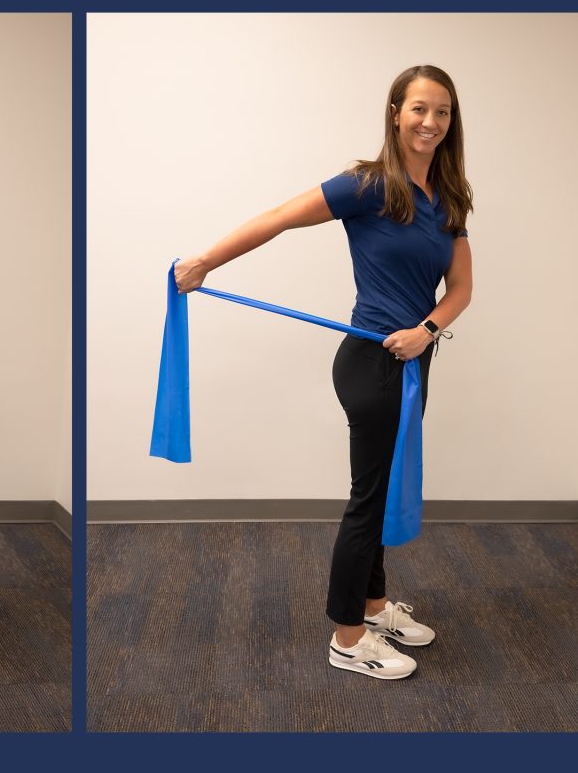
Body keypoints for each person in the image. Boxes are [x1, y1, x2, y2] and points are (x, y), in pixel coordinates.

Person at [174, 65, 473, 680]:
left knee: (384, 487)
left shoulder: (448, 195)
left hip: (414, 360)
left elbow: (462, 287)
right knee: (369, 500)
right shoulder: (369, 184)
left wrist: (428, 331)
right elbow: (283, 215)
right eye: (419, 108)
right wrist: (205, 260)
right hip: (372, 363)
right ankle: (347, 637)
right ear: (395, 112)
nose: (430, 122)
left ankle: (374, 605)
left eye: (442, 111)